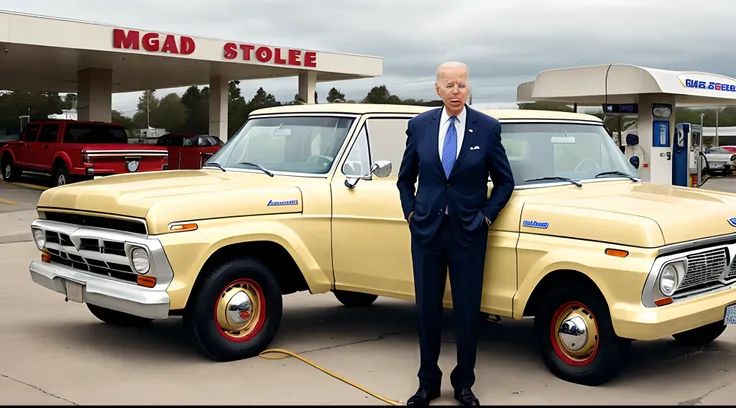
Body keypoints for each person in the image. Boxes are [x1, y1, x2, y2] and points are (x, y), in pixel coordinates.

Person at [396, 61, 515, 406]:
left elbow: (506, 182)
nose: (456, 91)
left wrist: (486, 218)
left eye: (461, 85)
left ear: (468, 88)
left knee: (466, 312)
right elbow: (405, 179)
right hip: (427, 233)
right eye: (449, 85)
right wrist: (410, 212)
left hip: (469, 234)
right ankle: (427, 383)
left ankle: (464, 384)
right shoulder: (419, 126)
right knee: (427, 311)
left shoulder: (487, 128)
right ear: (437, 89)